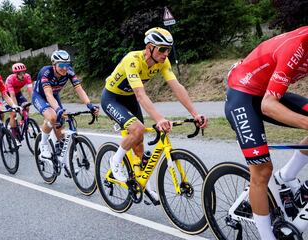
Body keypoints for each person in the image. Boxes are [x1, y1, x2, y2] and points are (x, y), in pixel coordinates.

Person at [100, 27, 208, 200]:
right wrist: (159, 118)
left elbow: (177, 88)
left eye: (169, 50)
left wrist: (195, 113)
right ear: (149, 47)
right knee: (137, 129)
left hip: (129, 99)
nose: (166, 54)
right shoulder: (132, 60)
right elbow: (141, 95)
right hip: (112, 98)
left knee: (139, 144)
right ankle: (115, 161)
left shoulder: (163, 63)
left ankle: (144, 185)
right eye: (162, 49)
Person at [224, 26, 308, 240]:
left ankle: (287, 175)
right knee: (262, 171)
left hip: (265, 91)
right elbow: (268, 106)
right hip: (243, 95)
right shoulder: (297, 46)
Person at [32, 50, 99, 164]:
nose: (64, 68)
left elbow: (79, 89)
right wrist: (57, 109)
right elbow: (48, 94)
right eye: (61, 65)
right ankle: (43, 146)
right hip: (40, 97)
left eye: (67, 65)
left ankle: (60, 153)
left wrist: (90, 105)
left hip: (54, 95)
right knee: (53, 117)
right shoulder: (46, 72)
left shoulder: (69, 72)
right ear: (54, 65)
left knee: (60, 123)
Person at [5, 63, 33, 143]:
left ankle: (23, 122)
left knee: (26, 107)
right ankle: (14, 136)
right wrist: (16, 107)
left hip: (18, 93)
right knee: (13, 113)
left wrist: (34, 100)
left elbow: (30, 90)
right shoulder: (10, 79)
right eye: (19, 73)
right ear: (16, 74)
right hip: (8, 95)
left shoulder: (27, 76)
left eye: (23, 72)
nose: (22, 75)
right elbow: (12, 96)